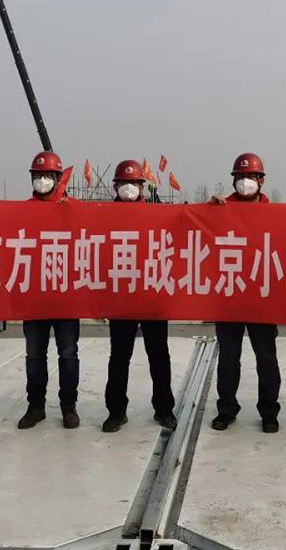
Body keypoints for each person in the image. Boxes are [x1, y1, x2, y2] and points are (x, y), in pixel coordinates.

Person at [102, 160, 177, 433]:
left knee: (159, 355)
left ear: (142, 187)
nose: (129, 188)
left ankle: (164, 409)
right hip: (120, 298)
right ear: (115, 186)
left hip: (151, 296)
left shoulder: (156, 213)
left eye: (133, 183)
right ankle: (116, 411)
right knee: (119, 357)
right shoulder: (103, 215)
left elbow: (185, 225)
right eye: (124, 183)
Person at [210, 152, 282, 434]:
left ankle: (269, 412)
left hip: (262, 298)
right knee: (229, 358)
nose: (245, 183)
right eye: (240, 178)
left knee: (266, 358)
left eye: (250, 177)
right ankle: (226, 409)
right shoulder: (220, 209)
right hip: (229, 297)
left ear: (261, 180)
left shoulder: (275, 214)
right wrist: (208, 210)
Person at [18, 151, 81, 430]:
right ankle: (36, 406)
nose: (42, 180)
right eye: (38, 176)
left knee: (67, 354)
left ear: (58, 179)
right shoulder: (22, 211)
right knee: (34, 355)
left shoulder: (72, 207)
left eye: (47, 176)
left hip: (66, 297)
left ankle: (69, 407)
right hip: (34, 297)